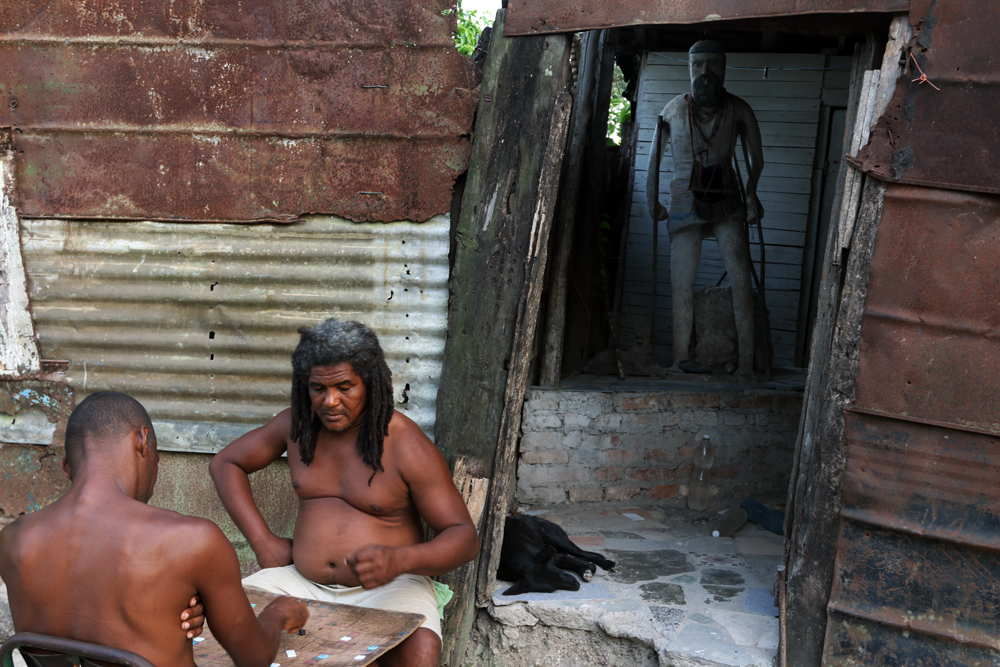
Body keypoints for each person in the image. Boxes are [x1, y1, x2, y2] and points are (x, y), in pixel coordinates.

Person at [210, 318, 480, 667]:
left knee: (421, 651)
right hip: (299, 583)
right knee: (220, 625)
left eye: (344, 387)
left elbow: (464, 537)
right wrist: (262, 541)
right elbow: (225, 464)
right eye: (318, 389)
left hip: (390, 588)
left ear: (369, 383)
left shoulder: (404, 442)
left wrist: (400, 560)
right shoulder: (296, 427)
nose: (330, 401)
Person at [0, 392, 309, 667]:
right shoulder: (192, 541)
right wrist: (278, 613)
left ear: (67, 467)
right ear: (142, 441)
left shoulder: (14, 540)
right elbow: (252, 657)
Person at [646, 40, 765, 375]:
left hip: (728, 197)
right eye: (698, 65)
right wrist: (651, 199)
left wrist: (752, 194)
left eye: (713, 65)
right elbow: (654, 161)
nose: (705, 73)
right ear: (689, 68)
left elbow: (757, 159)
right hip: (685, 198)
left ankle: (745, 361)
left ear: (724, 68)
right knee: (681, 280)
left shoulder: (739, 109)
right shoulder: (672, 111)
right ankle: (681, 356)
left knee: (741, 277)